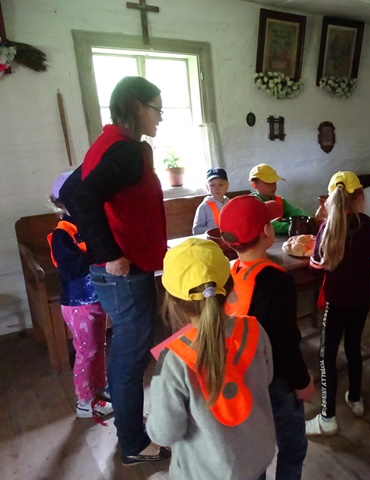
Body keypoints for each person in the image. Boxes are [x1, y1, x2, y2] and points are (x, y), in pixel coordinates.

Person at [70, 76, 170, 466]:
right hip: (123, 272)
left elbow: (69, 191)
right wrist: (110, 252)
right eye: (157, 109)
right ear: (138, 107)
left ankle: (128, 422)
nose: (160, 118)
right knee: (131, 356)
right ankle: (133, 443)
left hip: (122, 270)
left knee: (127, 353)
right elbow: (81, 196)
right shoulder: (125, 152)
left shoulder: (109, 144)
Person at [147, 238, 276, 480]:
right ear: (230, 286)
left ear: (172, 301)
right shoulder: (254, 329)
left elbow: (164, 433)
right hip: (255, 460)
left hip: (204, 473)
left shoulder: (172, 359)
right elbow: (266, 378)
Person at [219, 195, 315, 480]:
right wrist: (302, 382)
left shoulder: (227, 273)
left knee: (253, 452)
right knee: (292, 446)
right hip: (276, 383)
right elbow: (286, 342)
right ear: (266, 231)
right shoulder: (278, 281)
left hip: (241, 380)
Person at [305, 172, 370, 436]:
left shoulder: (327, 228)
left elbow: (316, 268)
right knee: (353, 346)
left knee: (327, 354)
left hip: (336, 299)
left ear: (331, 199)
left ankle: (327, 417)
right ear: (360, 196)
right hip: (362, 299)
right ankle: (355, 398)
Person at [47, 172, 113, 420]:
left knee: (99, 347)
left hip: (96, 297)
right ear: (61, 203)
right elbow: (70, 270)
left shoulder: (88, 224)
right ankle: (85, 401)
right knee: (87, 351)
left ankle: (100, 388)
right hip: (77, 303)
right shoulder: (62, 233)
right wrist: (95, 252)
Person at [249, 163, 309, 236]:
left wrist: (311, 220)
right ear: (254, 185)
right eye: (268, 183)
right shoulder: (252, 204)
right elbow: (267, 224)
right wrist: (292, 227)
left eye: (274, 182)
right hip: (261, 241)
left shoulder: (279, 201)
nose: (273, 186)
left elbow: (294, 212)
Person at [192, 167, 230, 234]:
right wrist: (215, 230)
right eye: (212, 185)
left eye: (220, 185)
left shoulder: (231, 204)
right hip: (211, 239)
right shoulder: (204, 207)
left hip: (230, 238)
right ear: (207, 187)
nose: (217, 188)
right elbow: (196, 230)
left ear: (227, 186)